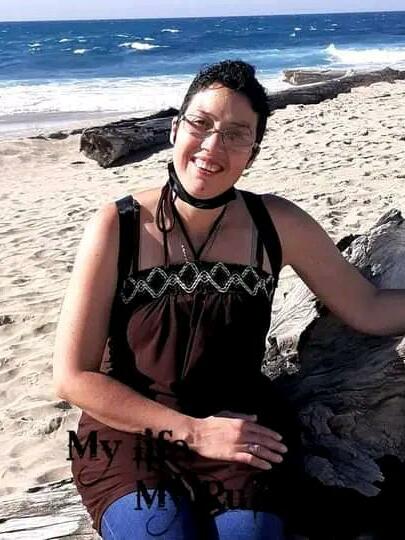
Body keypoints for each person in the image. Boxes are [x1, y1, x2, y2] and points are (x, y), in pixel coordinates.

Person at [53, 60, 405, 540]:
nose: (212, 146)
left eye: (236, 134)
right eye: (201, 124)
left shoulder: (276, 224)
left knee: (250, 534)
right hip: (129, 428)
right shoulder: (120, 225)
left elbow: (367, 306)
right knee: (159, 531)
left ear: (253, 153)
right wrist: (195, 432)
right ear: (175, 130)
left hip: (239, 426)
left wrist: (215, 433)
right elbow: (72, 376)